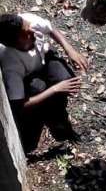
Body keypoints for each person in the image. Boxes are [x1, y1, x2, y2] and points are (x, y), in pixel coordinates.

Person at [0, 12, 88, 153]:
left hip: (43, 58)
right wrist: (54, 89)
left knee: (65, 78)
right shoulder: (11, 64)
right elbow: (19, 104)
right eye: (27, 34)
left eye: (30, 28)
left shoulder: (28, 22)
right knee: (39, 88)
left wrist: (69, 49)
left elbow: (50, 28)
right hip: (29, 78)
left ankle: (58, 114)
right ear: (14, 44)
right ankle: (50, 118)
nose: (33, 32)